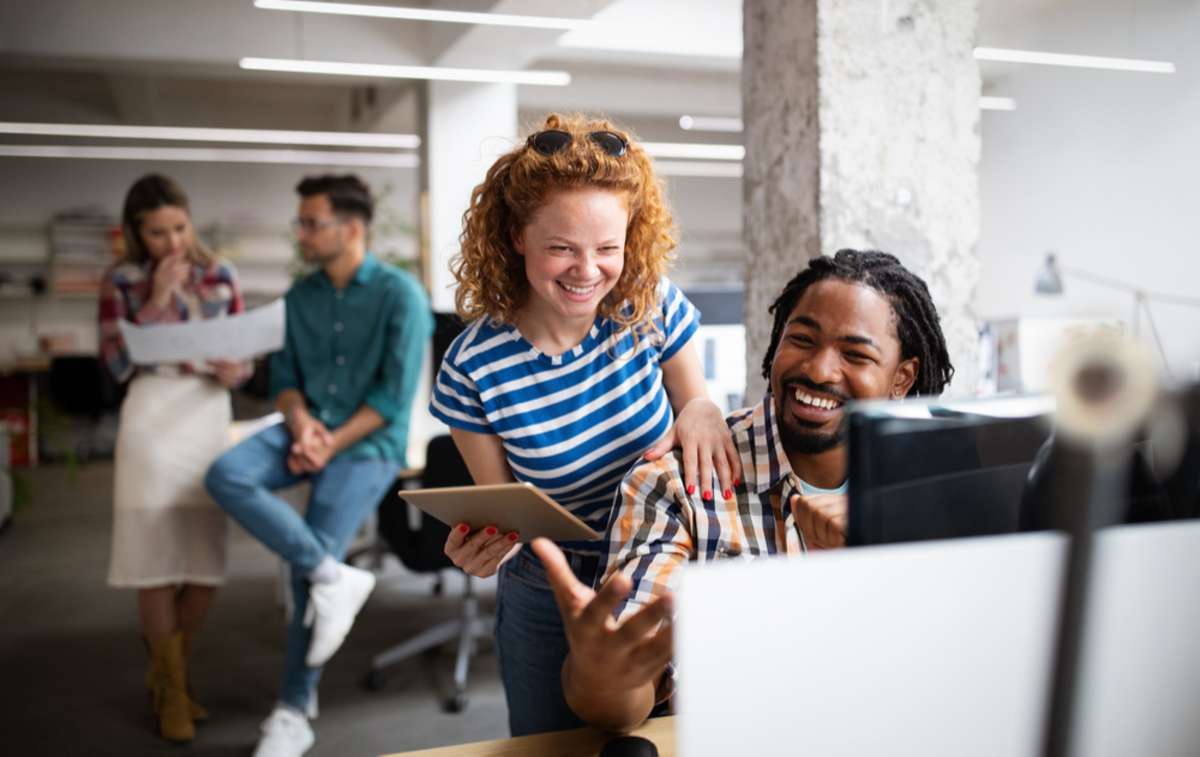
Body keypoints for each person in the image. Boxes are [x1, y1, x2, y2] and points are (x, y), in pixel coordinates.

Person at [532, 249, 956, 733]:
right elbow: (629, 689)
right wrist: (604, 678)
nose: (819, 371)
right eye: (801, 340)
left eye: (855, 354)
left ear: (901, 377)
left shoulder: (933, 485)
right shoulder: (675, 483)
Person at [429, 113, 741, 736]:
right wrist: (482, 544)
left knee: (684, 737)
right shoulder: (473, 366)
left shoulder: (646, 306)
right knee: (555, 746)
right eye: (562, 248)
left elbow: (694, 408)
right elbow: (506, 514)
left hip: (666, 560)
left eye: (607, 248)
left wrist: (703, 410)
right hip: (552, 586)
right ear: (517, 237)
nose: (588, 271)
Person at [204, 174, 432, 757]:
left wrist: (328, 442)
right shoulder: (300, 297)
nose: (301, 233)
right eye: (301, 222)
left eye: (312, 222)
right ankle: (335, 577)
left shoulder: (399, 295)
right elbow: (283, 382)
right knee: (227, 474)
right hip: (305, 430)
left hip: (367, 445)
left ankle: (293, 709)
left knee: (314, 560)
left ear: (351, 229)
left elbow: (391, 398)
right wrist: (302, 423)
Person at [101, 173, 253, 744]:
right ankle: (172, 692)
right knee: (157, 560)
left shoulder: (221, 273)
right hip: (150, 418)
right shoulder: (121, 279)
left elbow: (241, 357)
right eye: (158, 234)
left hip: (207, 414)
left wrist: (236, 368)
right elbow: (115, 365)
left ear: (191, 221)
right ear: (139, 235)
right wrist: (159, 299)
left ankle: (170, 676)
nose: (172, 243)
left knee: (204, 560)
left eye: (179, 229)